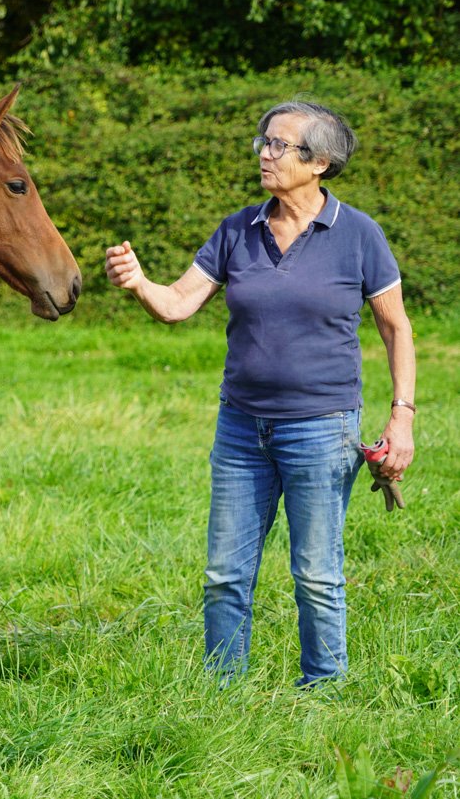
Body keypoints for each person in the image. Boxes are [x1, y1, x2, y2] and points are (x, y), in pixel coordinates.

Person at [104, 100, 415, 687]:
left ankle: (324, 691)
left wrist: (402, 416)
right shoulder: (237, 229)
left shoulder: (359, 234)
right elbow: (177, 304)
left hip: (322, 429)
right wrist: (139, 282)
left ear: (319, 162)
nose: (265, 154)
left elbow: (396, 328)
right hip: (241, 430)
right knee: (225, 574)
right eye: (263, 142)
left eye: (279, 145)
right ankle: (223, 692)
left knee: (316, 574)